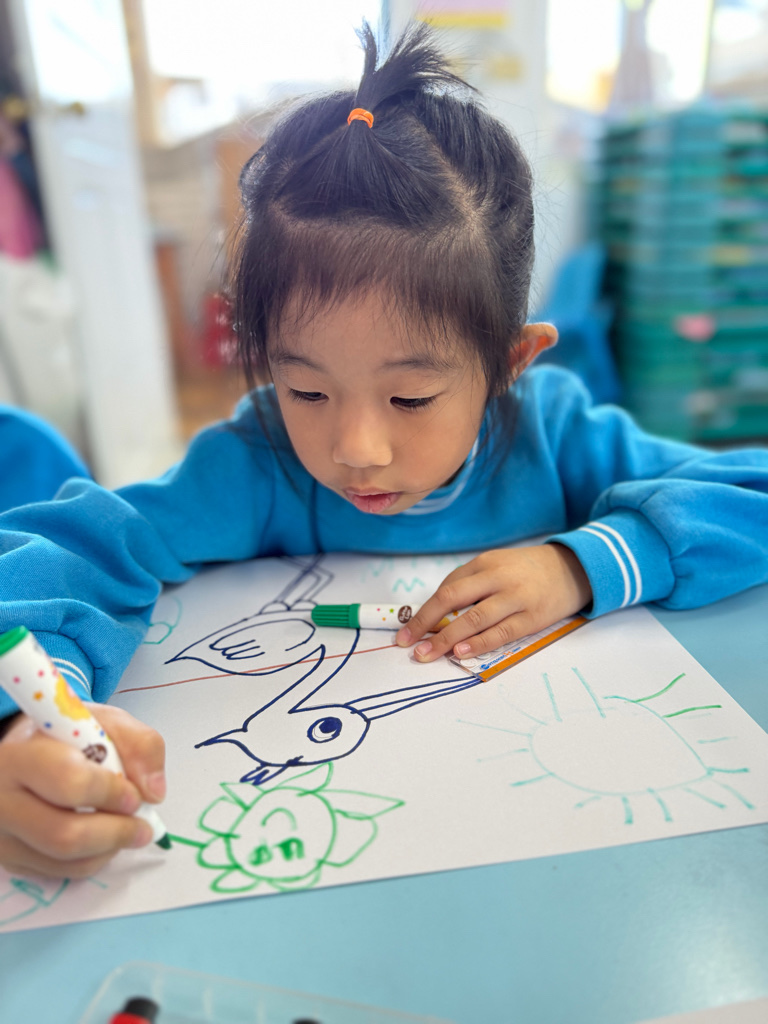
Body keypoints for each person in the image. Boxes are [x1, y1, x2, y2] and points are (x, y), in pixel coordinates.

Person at [0, 25, 766, 880]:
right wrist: (30, 717)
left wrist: (584, 566)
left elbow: (755, 489)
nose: (356, 449)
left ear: (509, 363)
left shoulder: (558, 436)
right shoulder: (256, 464)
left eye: (410, 399)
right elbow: (58, 557)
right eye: (306, 390)